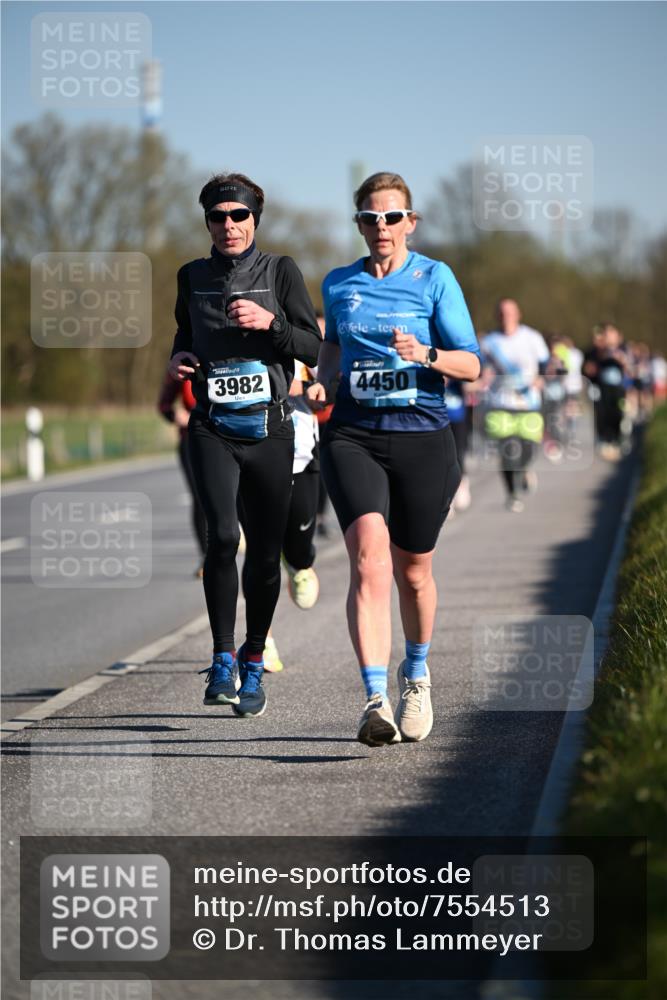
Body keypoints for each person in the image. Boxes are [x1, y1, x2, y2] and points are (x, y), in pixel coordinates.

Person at [308, 171, 480, 747]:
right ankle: (374, 699)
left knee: (413, 570)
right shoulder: (339, 283)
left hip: (424, 437)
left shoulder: (435, 278)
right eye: (369, 218)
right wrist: (321, 385)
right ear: (358, 223)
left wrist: (427, 354)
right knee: (369, 560)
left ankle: (418, 675)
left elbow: (472, 364)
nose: (380, 228)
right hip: (354, 434)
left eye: (391, 217)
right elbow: (332, 350)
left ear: (410, 222)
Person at [168, 172, 321, 718]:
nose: (228, 225)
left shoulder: (280, 271)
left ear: (255, 219)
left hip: (270, 428)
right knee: (221, 536)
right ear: (206, 221)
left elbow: (311, 346)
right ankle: (223, 658)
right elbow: (185, 335)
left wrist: (270, 322)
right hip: (212, 424)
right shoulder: (191, 276)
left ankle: (255, 659)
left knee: (263, 550)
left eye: (238, 215)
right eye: (218, 216)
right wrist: (177, 359)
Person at [481, 300, 549, 512]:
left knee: (528, 449)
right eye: (501, 313)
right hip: (500, 403)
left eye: (510, 312)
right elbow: (480, 368)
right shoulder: (488, 342)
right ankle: (512, 494)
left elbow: (546, 364)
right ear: (496, 315)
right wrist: (483, 376)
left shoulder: (532, 337)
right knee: (507, 451)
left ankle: (524, 469)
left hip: (528, 401)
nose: (506, 316)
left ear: (518, 314)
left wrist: (542, 378)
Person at [157, 371, 207, 575]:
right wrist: (175, 414)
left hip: (228, 436)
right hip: (192, 440)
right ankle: (207, 557)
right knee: (199, 496)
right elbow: (163, 404)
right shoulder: (184, 362)